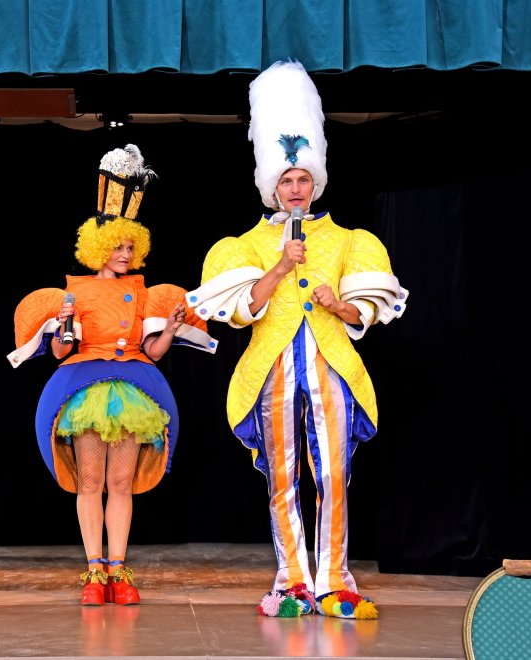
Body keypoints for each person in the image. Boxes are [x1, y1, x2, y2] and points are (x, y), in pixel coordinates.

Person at [187, 60, 408, 619]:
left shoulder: (348, 240)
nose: (294, 188)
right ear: (272, 185)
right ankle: (291, 582)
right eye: (286, 180)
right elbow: (241, 312)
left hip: (330, 365)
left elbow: (366, 313)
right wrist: (281, 267)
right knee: (284, 476)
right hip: (274, 369)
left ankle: (334, 580)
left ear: (315, 182)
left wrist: (339, 305)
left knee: (332, 474)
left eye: (302, 179)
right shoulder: (244, 245)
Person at [7, 145, 217, 606]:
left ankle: (119, 570)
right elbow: (60, 351)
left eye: (130, 247)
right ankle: (94, 572)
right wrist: (63, 323)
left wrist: (172, 329)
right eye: (117, 247)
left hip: (132, 391)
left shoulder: (141, 292)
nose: (125, 254)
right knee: (90, 483)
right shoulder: (76, 290)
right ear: (98, 247)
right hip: (86, 391)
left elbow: (152, 352)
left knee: (120, 484)